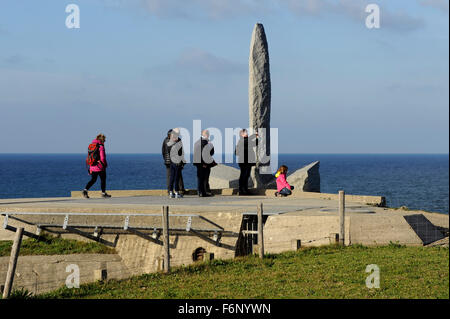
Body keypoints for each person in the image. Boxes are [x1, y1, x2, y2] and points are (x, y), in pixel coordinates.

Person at [82, 134, 111, 198]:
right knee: (103, 180)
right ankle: (103, 193)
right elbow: (102, 158)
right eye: (104, 140)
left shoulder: (91, 145)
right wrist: (104, 165)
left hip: (92, 166)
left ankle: (85, 190)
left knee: (93, 180)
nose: (105, 141)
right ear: (102, 140)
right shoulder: (101, 147)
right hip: (100, 166)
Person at [235, 129, 258, 195]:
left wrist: (255, 135)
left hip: (245, 161)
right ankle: (241, 190)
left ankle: (244, 189)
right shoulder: (244, 141)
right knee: (244, 176)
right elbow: (255, 143)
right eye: (245, 133)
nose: (247, 133)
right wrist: (256, 136)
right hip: (244, 161)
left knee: (246, 175)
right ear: (242, 134)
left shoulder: (242, 141)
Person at [162, 129, 185, 195]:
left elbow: (163, 151)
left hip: (168, 161)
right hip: (175, 161)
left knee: (170, 176)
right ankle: (179, 190)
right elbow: (181, 152)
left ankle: (170, 190)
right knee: (177, 176)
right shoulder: (177, 140)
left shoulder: (165, 140)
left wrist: (165, 159)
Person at [193, 129, 215, 197]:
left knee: (200, 178)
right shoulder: (204, 142)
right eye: (207, 134)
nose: (208, 135)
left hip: (198, 163)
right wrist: (204, 163)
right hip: (203, 163)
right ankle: (203, 192)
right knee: (204, 178)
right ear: (206, 134)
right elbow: (208, 153)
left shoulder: (197, 142)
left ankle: (200, 192)